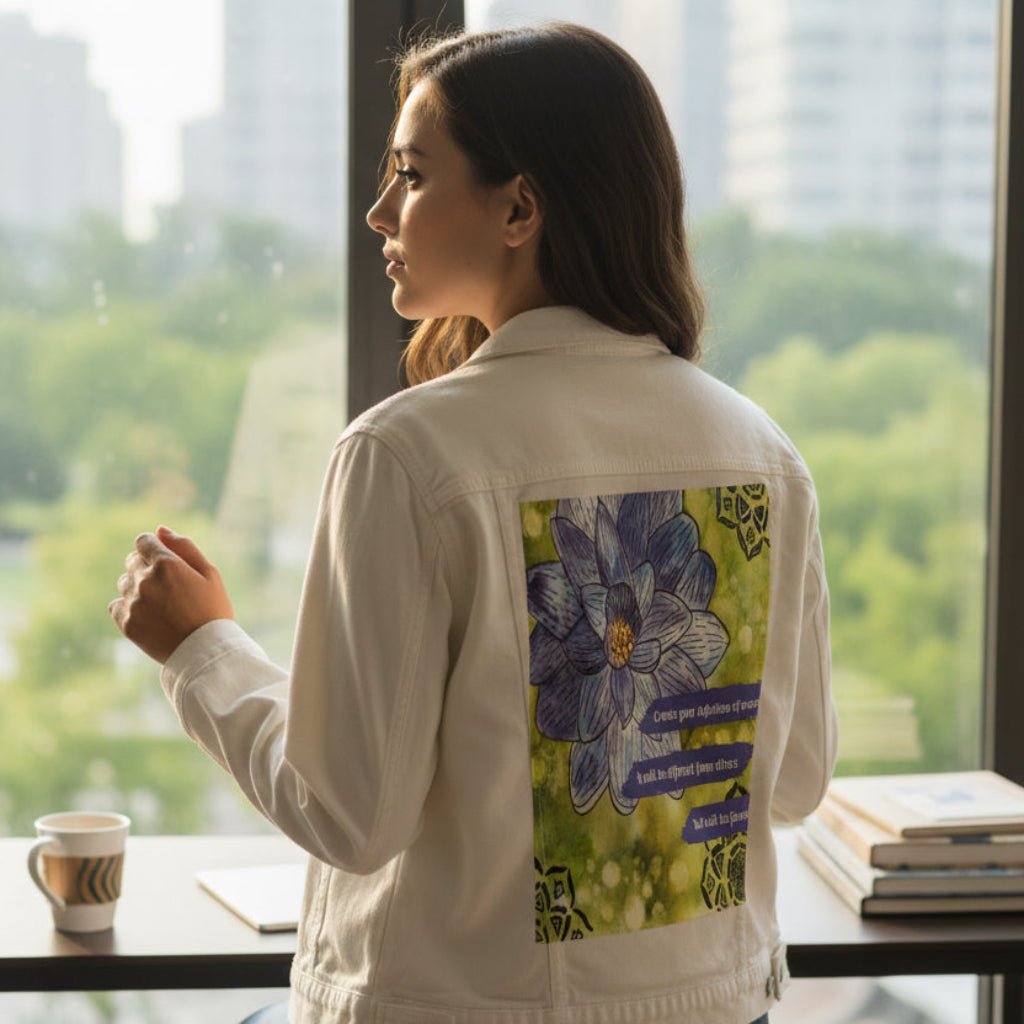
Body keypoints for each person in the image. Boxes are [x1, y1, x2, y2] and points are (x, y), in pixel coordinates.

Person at [110, 22, 837, 1024]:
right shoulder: (761, 456)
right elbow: (792, 782)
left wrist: (201, 650)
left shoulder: (409, 456)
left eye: (410, 175)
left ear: (519, 208)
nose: (377, 212)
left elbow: (350, 815)